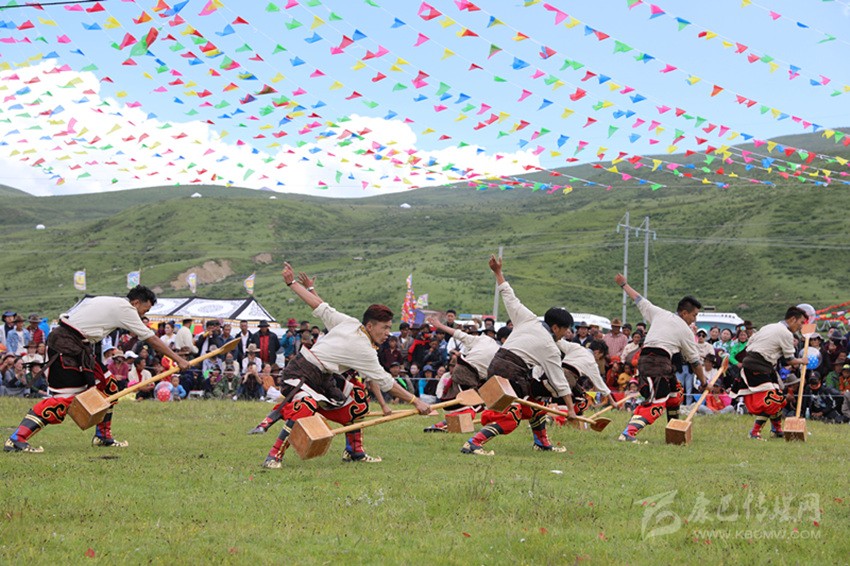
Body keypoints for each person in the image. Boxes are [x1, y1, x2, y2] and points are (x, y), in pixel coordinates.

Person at [260, 263, 430, 468]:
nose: (387, 333)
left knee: (358, 401)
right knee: (305, 406)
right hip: (300, 375)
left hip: (324, 380)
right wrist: (415, 401)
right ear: (370, 326)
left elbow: (320, 306)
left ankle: (354, 452)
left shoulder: (350, 322)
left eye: (389, 328)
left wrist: (295, 284)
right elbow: (386, 382)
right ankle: (274, 456)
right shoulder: (363, 347)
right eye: (384, 328)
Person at [5, 286, 190, 453]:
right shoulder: (126, 309)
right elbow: (152, 339)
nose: (143, 315)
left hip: (79, 348)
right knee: (64, 400)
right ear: (136, 303)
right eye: (145, 310)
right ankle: (17, 439)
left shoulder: (110, 301)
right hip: (65, 347)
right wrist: (179, 360)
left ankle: (103, 436)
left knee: (108, 387)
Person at [461, 256, 577, 456]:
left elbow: (509, 296)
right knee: (510, 418)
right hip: (512, 374)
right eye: (565, 330)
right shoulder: (549, 346)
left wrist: (498, 272)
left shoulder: (528, 318)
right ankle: (473, 443)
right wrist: (571, 411)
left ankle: (541, 443)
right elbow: (559, 381)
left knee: (537, 404)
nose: (566, 334)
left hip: (496, 366)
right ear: (555, 327)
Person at [615, 273, 706, 442]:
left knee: (676, 393)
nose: (695, 319)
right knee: (656, 403)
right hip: (656, 363)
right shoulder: (685, 330)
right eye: (694, 315)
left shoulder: (659, 313)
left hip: (654, 361)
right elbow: (694, 362)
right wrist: (704, 382)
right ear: (684, 313)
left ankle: (674, 431)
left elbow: (638, 299)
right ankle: (628, 433)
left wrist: (624, 285)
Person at [730, 307, 807, 439]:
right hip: (756, 366)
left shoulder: (769, 326)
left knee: (778, 396)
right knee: (772, 400)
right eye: (801, 322)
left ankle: (776, 429)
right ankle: (755, 432)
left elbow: (750, 343)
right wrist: (802, 360)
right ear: (793, 319)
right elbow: (790, 360)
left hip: (763, 365)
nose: (801, 327)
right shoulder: (786, 333)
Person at [422, 315, 502, 433]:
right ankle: (440, 426)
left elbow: (457, 333)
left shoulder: (480, 340)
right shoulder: (497, 349)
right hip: (467, 374)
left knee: (473, 405)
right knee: (472, 406)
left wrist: (439, 325)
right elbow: (457, 334)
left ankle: (441, 426)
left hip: (464, 371)